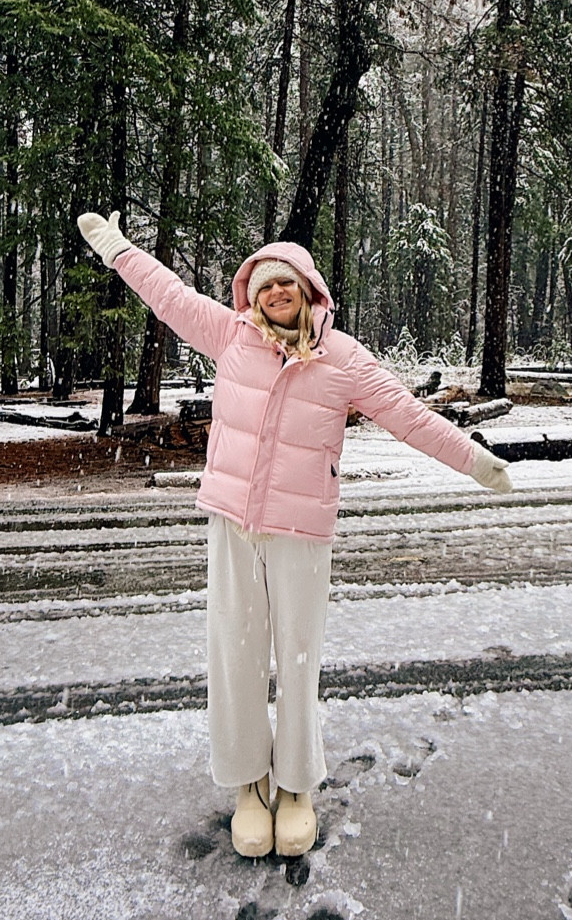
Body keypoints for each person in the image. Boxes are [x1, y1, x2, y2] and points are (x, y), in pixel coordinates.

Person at [76, 211, 513, 859]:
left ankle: (297, 786)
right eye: (263, 288)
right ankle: (249, 784)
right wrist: (117, 248)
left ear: (309, 290)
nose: (274, 295)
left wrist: (474, 461)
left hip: (301, 531)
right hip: (232, 521)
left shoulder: (342, 358)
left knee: (297, 659)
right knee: (235, 655)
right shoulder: (230, 336)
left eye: (285, 285)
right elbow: (166, 294)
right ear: (251, 297)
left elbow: (408, 416)